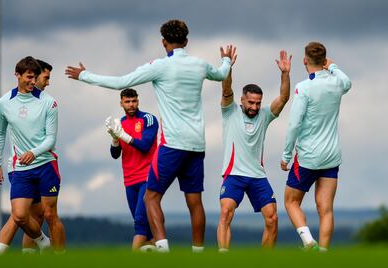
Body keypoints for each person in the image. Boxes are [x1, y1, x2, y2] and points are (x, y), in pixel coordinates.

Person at [65, 19, 235, 252]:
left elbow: (121, 83)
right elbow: (222, 73)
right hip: (197, 145)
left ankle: (162, 247)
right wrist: (226, 59)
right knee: (195, 202)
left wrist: (84, 75)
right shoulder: (200, 64)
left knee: (151, 197)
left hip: (173, 144)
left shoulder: (159, 66)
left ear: (163, 42)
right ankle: (199, 254)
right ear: (186, 41)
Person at [217, 50, 291, 252]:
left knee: (272, 217)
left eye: (258, 103)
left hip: (257, 176)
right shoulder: (230, 111)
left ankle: (265, 264)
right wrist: (228, 66)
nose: (254, 107)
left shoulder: (264, 115)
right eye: (250, 102)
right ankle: (222, 259)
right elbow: (226, 89)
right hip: (234, 175)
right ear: (242, 100)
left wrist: (285, 74)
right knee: (226, 212)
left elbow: (284, 98)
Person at [281, 42, 351, 252]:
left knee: (291, 202)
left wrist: (286, 155)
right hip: (331, 156)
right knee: (326, 209)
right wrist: (333, 67)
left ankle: (308, 241)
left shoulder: (304, 88)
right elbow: (347, 82)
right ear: (324, 61)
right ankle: (323, 254)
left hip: (308, 158)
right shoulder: (337, 83)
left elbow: (294, 124)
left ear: (305, 60)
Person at [0, 57, 66, 254]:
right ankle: (44, 242)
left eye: (35, 78)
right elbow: (0, 133)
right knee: (19, 216)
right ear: (17, 75)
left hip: (45, 165)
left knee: (49, 215)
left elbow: (51, 139)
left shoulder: (49, 102)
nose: (33, 82)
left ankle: (62, 261)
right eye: (29, 77)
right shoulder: (4, 103)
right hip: (21, 168)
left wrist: (33, 153)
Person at [105, 88, 158, 251]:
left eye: (134, 101)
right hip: (129, 180)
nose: (131, 104)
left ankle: (131, 261)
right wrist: (115, 138)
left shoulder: (148, 119)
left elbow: (145, 145)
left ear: (138, 101)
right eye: (127, 102)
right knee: (146, 226)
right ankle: (158, 259)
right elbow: (115, 155)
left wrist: (122, 135)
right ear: (121, 103)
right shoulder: (119, 123)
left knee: (140, 222)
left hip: (148, 177)